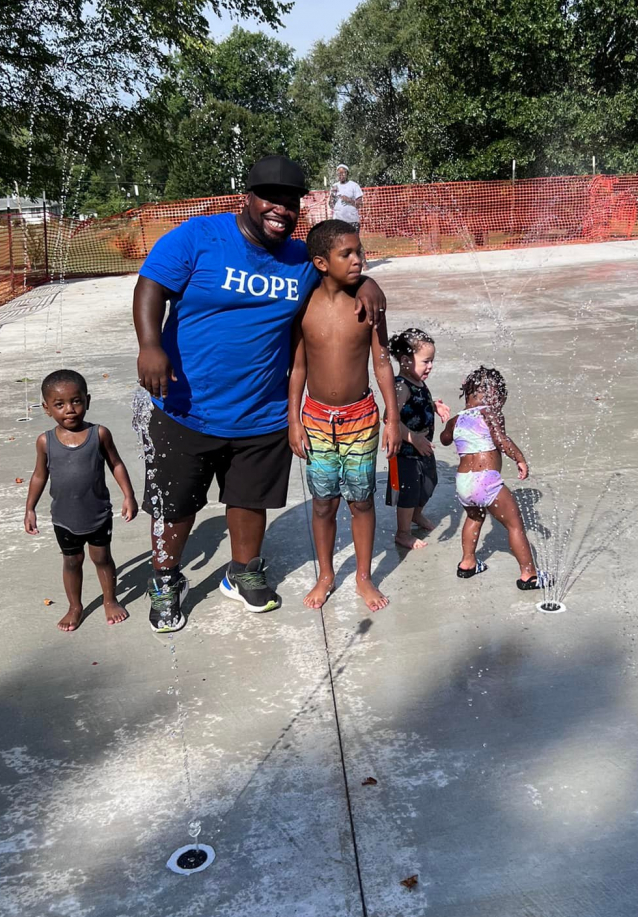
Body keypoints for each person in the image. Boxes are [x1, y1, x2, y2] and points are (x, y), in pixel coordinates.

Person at [134, 155, 386, 633]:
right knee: (175, 504)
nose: (280, 209)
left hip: (262, 412)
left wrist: (370, 281)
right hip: (185, 406)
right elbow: (151, 285)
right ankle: (166, 579)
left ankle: (242, 574)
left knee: (248, 502)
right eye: (270, 197)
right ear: (245, 198)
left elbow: (341, 271)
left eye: (290, 202)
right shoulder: (200, 236)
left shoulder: (297, 257)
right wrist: (149, 345)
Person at [288, 219, 401, 612]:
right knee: (323, 503)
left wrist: (392, 417)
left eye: (360, 252)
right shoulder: (303, 306)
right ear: (321, 262)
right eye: (347, 254)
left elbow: (382, 362)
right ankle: (325, 574)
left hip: (362, 419)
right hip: (317, 421)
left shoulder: (367, 304)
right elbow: (298, 368)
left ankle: (364, 577)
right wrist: (293, 419)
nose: (358, 261)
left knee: (362, 501)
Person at [24, 369, 138, 632]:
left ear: (87, 400)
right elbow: (39, 476)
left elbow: (116, 464)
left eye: (76, 401)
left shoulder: (99, 434)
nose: (70, 410)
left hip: (97, 514)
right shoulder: (45, 442)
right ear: (46, 408)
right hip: (64, 518)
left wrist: (128, 496)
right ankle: (75, 606)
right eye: (59, 404)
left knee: (101, 558)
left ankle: (110, 599)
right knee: (72, 561)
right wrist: (29, 508)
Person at [440, 365, 547, 589]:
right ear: (492, 394)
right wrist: (519, 458)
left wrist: (447, 423)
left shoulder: (457, 419)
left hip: (464, 483)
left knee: (475, 517)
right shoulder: (490, 412)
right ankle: (530, 575)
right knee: (515, 525)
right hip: (486, 480)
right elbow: (501, 440)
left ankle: (468, 562)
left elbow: (445, 439)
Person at [386, 328, 450, 550]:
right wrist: (413, 439)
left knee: (429, 484)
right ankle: (403, 533)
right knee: (409, 492)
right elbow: (389, 419)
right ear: (405, 361)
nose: (430, 366)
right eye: (426, 361)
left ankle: (417, 515)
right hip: (405, 452)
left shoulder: (418, 382)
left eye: (432, 361)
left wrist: (435, 406)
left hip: (422, 449)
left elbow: (418, 405)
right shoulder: (401, 387)